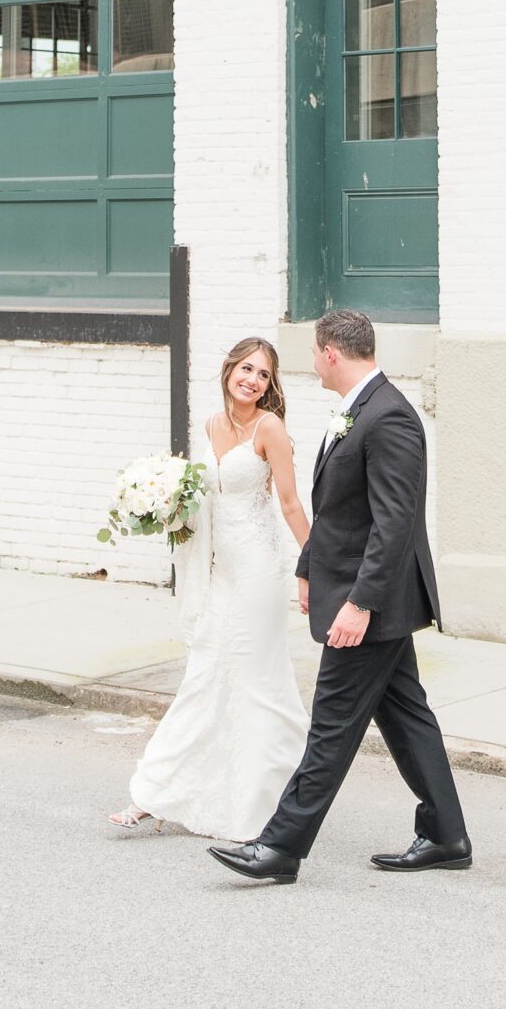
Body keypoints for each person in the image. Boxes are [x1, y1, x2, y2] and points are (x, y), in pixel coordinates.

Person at [208, 306, 471, 885]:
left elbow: (395, 524)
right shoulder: (359, 410)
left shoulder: (390, 418)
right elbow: (341, 516)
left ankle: (279, 848)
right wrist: (309, 565)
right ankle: (446, 833)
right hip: (360, 595)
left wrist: (359, 603)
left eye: (313, 355)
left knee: (331, 723)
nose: (312, 365)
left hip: (369, 606)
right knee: (406, 716)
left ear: (330, 353)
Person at [111, 338, 310, 840]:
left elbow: (289, 505)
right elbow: (202, 500)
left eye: (263, 375)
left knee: (257, 680)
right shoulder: (210, 425)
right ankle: (153, 794)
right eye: (247, 369)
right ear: (228, 370)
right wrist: (164, 504)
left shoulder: (271, 429)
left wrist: (316, 565)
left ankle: (268, 801)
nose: (253, 380)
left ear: (270, 385)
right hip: (220, 570)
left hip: (260, 570)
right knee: (205, 674)